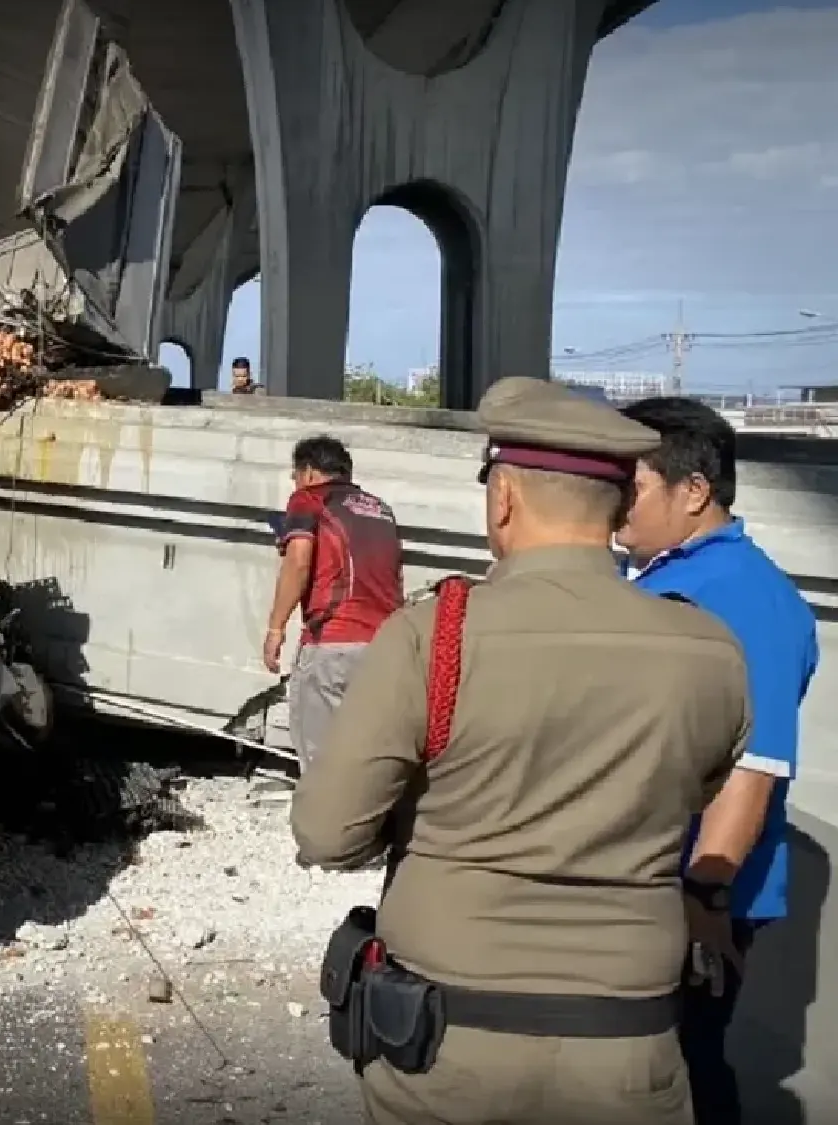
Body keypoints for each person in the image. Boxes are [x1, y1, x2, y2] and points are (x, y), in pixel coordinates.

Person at [294, 376, 752, 1125]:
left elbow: (327, 831)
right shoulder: (710, 649)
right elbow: (694, 790)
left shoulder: (433, 635)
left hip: (447, 1050)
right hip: (631, 1047)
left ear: (502, 496)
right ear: (619, 505)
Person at [618, 396, 820, 1125]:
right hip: (641, 882)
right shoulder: (654, 574)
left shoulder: (745, 597)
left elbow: (754, 763)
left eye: (630, 484)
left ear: (694, 490)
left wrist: (706, 897)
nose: (614, 502)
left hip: (695, 895)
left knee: (681, 1071)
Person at [264, 435, 403, 770]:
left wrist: (275, 628)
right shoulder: (382, 509)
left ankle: (324, 820)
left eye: (296, 475)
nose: (295, 483)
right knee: (369, 759)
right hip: (385, 647)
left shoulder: (309, 500)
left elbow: (298, 560)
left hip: (332, 644)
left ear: (310, 473)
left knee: (321, 763)